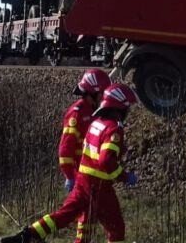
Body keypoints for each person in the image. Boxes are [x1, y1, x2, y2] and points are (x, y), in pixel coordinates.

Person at [0, 83, 139, 243]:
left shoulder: (96, 123)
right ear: (121, 107)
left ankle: (28, 235)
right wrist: (124, 176)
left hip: (82, 181)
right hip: (99, 187)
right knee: (116, 228)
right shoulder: (113, 129)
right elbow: (106, 160)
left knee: (65, 214)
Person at [59, 69, 112, 243]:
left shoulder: (94, 112)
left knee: (88, 217)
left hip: (90, 174)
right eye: (102, 94)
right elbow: (65, 149)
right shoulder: (77, 112)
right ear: (93, 93)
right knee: (82, 215)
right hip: (79, 173)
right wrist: (70, 176)